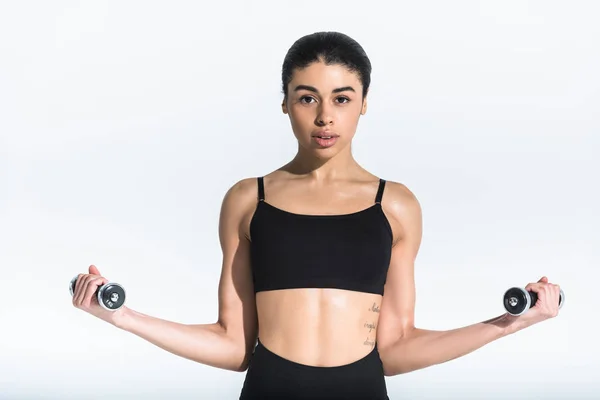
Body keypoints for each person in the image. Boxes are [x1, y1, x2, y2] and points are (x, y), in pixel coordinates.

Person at [71, 31, 562, 399]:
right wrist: (122, 317)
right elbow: (234, 346)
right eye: (308, 98)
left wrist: (511, 323)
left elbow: (394, 349)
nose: (325, 117)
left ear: (363, 104)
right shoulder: (249, 199)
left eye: (342, 98)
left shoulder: (395, 205)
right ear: (285, 104)